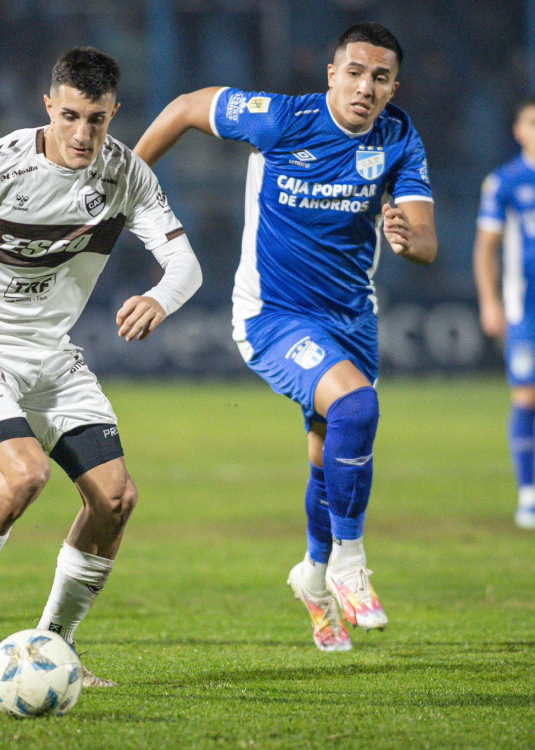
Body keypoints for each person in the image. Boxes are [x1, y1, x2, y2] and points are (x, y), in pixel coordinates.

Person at [0, 47, 202, 684]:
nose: (83, 135)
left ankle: (54, 647)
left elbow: (186, 264)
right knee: (24, 475)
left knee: (115, 498)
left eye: (98, 120)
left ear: (114, 114)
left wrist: (159, 299)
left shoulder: (126, 175)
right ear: (48, 106)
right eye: (72, 116)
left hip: (49, 353)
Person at [135, 23, 437, 651]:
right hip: (273, 317)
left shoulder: (399, 137)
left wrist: (409, 239)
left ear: (392, 88)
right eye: (354, 71)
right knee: (356, 405)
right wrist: (125, 181)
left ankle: (312, 576)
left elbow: (426, 241)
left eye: (380, 77)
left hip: (352, 319)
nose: (365, 86)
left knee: (329, 456)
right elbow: (188, 107)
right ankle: (350, 564)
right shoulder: (283, 120)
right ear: (332, 74)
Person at [474, 97, 535, 530]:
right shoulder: (505, 182)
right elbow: (486, 248)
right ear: (517, 130)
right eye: (531, 121)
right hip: (524, 306)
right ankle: (529, 494)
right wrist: (490, 300)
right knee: (527, 396)